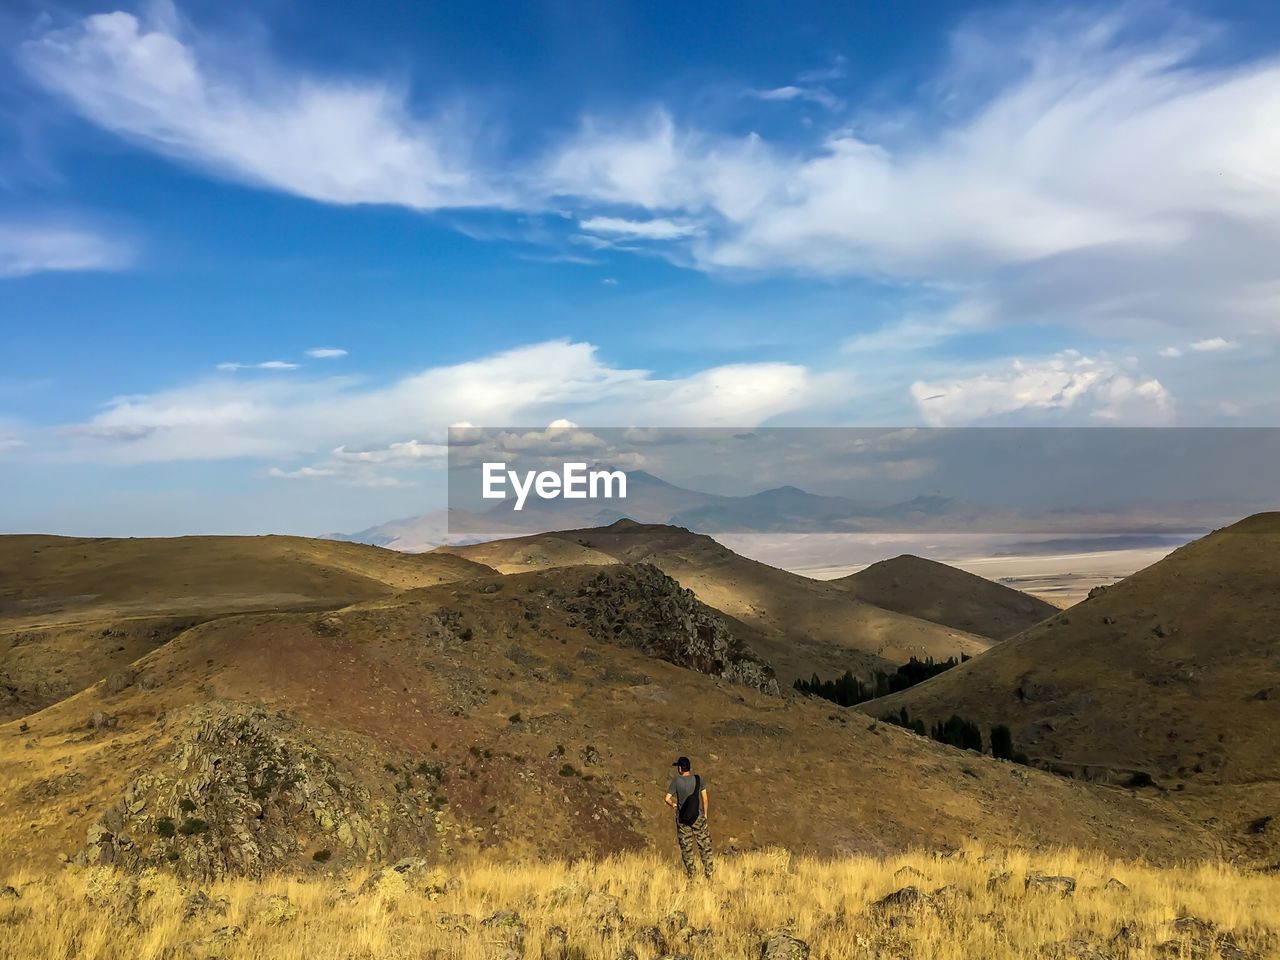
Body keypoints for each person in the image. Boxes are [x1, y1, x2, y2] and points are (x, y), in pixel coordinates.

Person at [664, 755, 713, 880]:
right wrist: (705, 815)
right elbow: (705, 799)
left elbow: (667, 798)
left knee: (687, 848)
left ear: (680, 768)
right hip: (698, 816)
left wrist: (674, 804)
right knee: (704, 845)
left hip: (683, 819)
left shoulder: (676, 781)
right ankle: (709, 873)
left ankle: (692, 874)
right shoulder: (698, 779)